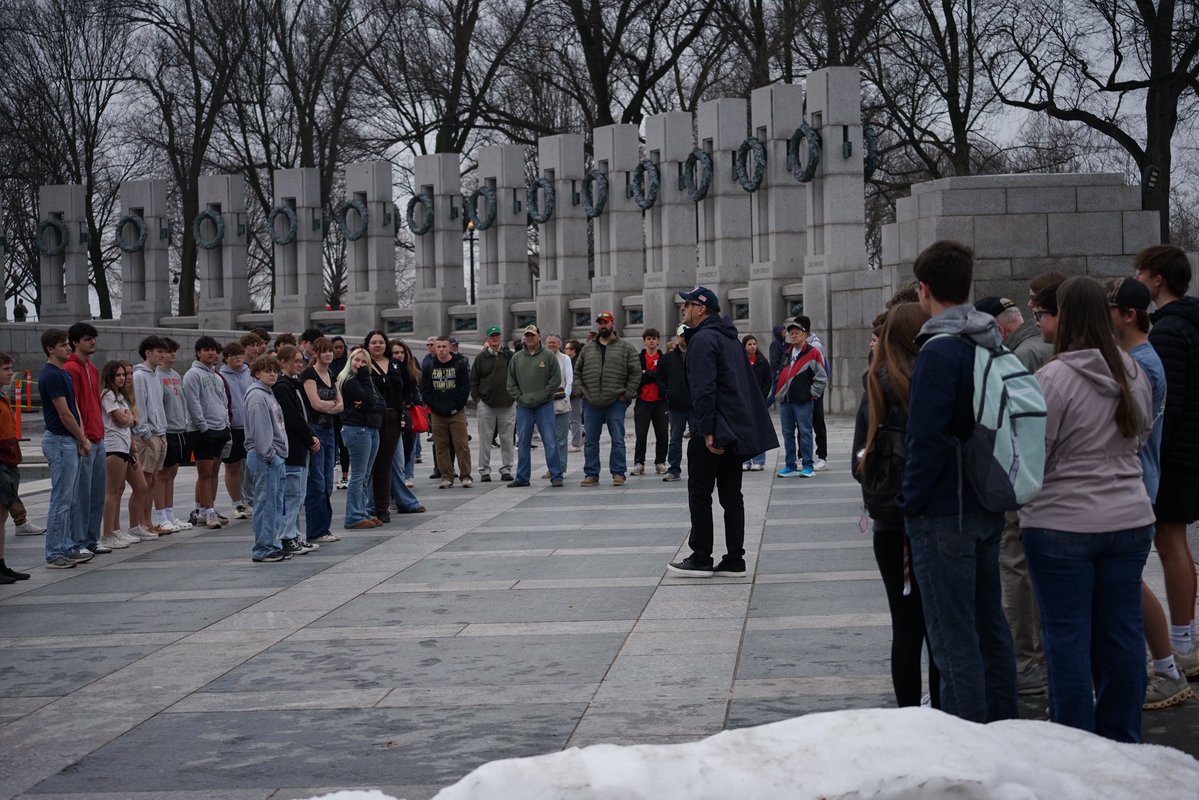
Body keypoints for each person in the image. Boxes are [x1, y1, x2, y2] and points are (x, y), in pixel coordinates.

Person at [1019, 276, 1155, 742]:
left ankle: (1075, 747)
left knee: (1067, 638)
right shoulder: (1134, 373)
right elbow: (1142, 438)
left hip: (1061, 524)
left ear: (1067, 316)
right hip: (1130, 519)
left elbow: (1036, 454)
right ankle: (1123, 738)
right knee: (1122, 636)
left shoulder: (1051, 379)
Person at [898, 239, 1017, 724]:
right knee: (993, 629)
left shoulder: (940, 351)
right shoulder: (989, 340)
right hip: (988, 502)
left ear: (924, 289)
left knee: (953, 641)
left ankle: (972, 753)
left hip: (946, 513)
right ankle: (1006, 731)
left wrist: (909, 502)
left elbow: (925, 440)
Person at [1106, 276, 1192, 710]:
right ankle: (1165, 666)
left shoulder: (1141, 365)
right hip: (1137, 482)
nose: (1105, 318)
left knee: (1125, 581)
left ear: (1129, 315)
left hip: (1135, 484)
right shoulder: (1137, 358)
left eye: (1111, 310)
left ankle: (1168, 670)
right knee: (1124, 581)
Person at [851, 302, 940, 708]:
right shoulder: (936, 378)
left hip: (889, 520)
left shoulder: (876, 380)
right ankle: (943, 708)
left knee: (905, 628)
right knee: (940, 625)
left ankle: (907, 713)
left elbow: (859, 460)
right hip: (934, 517)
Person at [667, 287, 777, 577]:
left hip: (714, 429)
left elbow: (705, 389)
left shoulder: (703, 340)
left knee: (700, 493)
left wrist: (706, 430)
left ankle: (701, 556)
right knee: (732, 495)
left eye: (687, 304)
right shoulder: (730, 338)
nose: (683, 309)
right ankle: (734, 559)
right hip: (734, 431)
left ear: (701, 309)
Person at [975, 295, 1053, 697]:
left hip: (1025, 484)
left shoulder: (1018, 357)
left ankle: (1026, 663)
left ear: (997, 327)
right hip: (1057, 487)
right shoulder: (1047, 345)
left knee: (1017, 568)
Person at [1134, 244, 1199, 678]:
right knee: (1176, 542)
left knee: (1171, 541)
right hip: (1189, 449)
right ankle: (1185, 636)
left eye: (1140, 273)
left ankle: (1182, 641)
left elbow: (1165, 406)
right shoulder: (1189, 322)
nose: (1136, 280)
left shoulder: (1170, 331)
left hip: (1176, 452)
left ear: (1157, 278)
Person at [39, 329, 91, 568]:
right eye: (63, 345)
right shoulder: (50, 374)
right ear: (50, 349)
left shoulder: (63, 373)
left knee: (68, 500)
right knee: (60, 500)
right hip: (60, 441)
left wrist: (79, 437)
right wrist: (82, 438)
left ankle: (67, 546)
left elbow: (75, 409)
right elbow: (64, 413)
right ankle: (54, 552)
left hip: (69, 440)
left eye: (68, 345)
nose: (68, 348)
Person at [575, 311, 640, 486]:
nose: (603, 326)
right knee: (590, 441)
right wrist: (581, 391)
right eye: (600, 323)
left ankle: (618, 473)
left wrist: (626, 395)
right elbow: (577, 371)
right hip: (591, 401)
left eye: (606, 322)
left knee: (618, 439)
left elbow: (635, 374)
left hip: (615, 401)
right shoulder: (588, 348)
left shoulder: (626, 348)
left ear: (613, 323)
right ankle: (591, 474)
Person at [64, 322, 107, 556]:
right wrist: (82, 438)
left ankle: (93, 539)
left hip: (99, 436)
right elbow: (74, 407)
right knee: (81, 495)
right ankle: (78, 541)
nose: (92, 342)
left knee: (97, 493)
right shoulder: (71, 368)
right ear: (75, 342)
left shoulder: (91, 367)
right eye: (88, 338)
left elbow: (95, 403)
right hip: (85, 439)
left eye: (94, 338)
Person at [243, 354, 291, 562]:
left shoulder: (268, 394)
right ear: (256, 373)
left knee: (274, 504)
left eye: (274, 370)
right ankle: (263, 548)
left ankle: (272, 543)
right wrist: (270, 455)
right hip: (265, 458)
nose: (272, 374)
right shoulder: (257, 396)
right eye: (267, 370)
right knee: (265, 504)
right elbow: (260, 431)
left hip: (274, 456)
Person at [99, 361, 151, 549]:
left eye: (124, 374)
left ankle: (122, 529)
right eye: (118, 375)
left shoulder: (120, 396)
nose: (122, 378)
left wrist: (129, 422)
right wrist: (130, 419)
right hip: (113, 445)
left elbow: (129, 420)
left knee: (139, 486)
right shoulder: (107, 394)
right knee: (113, 490)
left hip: (125, 445)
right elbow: (123, 419)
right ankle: (108, 533)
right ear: (110, 376)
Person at [273, 345, 319, 556]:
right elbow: (292, 418)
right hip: (292, 448)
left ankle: (294, 535)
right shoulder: (283, 386)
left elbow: (303, 415)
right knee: (292, 495)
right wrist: (309, 438)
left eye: (302, 360)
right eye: (295, 360)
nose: (300, 364)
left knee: (298, 494)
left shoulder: (293, 384)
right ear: (283, 362)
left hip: (300, 447)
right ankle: (286, 537)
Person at [506, 325, 564, 488]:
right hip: (524, 406)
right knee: (523, 442)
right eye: (527, 335)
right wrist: (520, 397)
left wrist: (544, 395)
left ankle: (556, 475)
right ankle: (522, 477)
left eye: (532, 335)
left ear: (539, 337)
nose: (530, 338)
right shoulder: (516, 358)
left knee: (550, 440)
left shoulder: (548, 356)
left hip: (544, 405)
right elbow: (510, 383)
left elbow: (555, 379)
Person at [183, 336, 231, 530]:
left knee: (214, 471)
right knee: (204, 472)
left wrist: (226, 424)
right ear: (198, 352)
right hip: (202, 430)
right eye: (207, 349)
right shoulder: (192, 375)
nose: (211, 353)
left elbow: (223, 402)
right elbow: (193, 403)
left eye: (214, 350)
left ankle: (207, 509)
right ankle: (207, 512)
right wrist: (203, 427)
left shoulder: (216, 376)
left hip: (220, 428)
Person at [301, 337, 344, 545]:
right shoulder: (309, 374)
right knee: (316, 482)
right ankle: (315, 531)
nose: (328, 354)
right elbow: (315, 404)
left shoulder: (332, 373)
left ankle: (324, 528)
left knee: (328, 481)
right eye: (323, 351)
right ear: (315, 354)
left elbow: (341, 405)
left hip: (330, 430)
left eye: (330, 351)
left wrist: (332, 405)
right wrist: (332, 405)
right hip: (315, 430)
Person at [338, 348, 385, 529]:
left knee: (366, 475)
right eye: (356, 360)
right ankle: (353, 516)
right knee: (358, 475)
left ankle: (362, 511)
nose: (360, 365)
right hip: (357, 430)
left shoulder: (366, 381)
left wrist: (367, 403)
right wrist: (367, 399)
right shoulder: (349, 381)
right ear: (350, 360)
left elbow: (380, 403)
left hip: (371, 428)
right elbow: (369, 399)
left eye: (364, 362)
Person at [774, 318, 827, 479]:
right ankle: (790, 465)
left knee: (805, 432)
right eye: (792, 333)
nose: (794, 335)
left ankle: (808, 465)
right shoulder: (787, 352)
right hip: (786, 401)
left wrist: (811, 393)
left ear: (805, 334)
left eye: (797, 332)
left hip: (803, 401)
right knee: (787, 433)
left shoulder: (813, 352)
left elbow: (821, 377)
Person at [132, 335, 172, 535]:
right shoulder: (139, 375)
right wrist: (145, 433)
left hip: (160, 432)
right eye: (159, 351)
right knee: (145, 481)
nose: (162, 355)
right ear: (148, 353)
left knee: (154, 479)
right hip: (147, 436)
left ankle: (148, 522)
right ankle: (141, 523)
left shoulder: (157, 375)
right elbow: (138, 405)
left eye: (163, 351)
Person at [365, 331, 409, 516]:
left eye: (381, 342)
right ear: (367, 345)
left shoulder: (395, 364)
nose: (377, 345)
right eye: (373, 342)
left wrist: (403, 412)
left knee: (386, 463)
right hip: (371, 418)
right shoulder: (363, 363)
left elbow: (406, 387)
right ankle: (367, 506)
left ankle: (382, 508)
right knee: (370, 464)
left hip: (393, 417)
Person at [422, 335, 472, 489]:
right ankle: (447, 476)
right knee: (441, 446)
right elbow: (425, 390)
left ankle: (465, 476)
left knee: (461, 444)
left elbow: (464, 389)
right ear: (434, 348)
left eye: (444, 346)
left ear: (450, 347)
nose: (442, 350)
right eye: (439, 347)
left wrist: (455, 407)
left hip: (456, 412)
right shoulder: (429, 366)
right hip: (437, 413)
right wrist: (435, 408)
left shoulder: (460, 364)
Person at [470, 325, 515, 483]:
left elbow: (516, 376)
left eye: (497, 336)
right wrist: (477, 399)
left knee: (507, 438)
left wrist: (515, 395)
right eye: (492, 336)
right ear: (487, 339)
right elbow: (473, 379)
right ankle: (484, 470)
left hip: (507, 403)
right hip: (486, 404)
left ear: (501, 337)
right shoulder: (481, 358)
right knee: (485, 439)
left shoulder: (510, 356)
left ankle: (506, 468)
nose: (495, 339)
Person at [0, 352, 30, 583]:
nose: (11, 373)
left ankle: (1, 564)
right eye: (6, 369)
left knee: (2, 518)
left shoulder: (3, 395)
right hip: (2, 460)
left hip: (9, 460)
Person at [158, 337, 193, 531]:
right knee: (162, 475)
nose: (172, 354)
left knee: (172, 473)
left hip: (179, 428)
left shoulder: (176, 375)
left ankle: (170, 514)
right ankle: (161, 515)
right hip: (165, 430)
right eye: (168, 350)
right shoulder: (156, 375)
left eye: (174, 350)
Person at [220, 340, 253, 519]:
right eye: (233, 355)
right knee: (232, 466)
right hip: (232, 427)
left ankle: (250, 499)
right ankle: (237, 503)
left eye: (240, 354)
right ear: (226, 359)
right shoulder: (221, 375)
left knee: (251, 466)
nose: (238, 358)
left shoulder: (251, 373)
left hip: (250, 426)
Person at [632, 328, 668, 476]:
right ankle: (639, 462)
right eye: (648, 338)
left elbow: (663, 376)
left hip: (660, 400)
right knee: (641, 434)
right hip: (643, 400)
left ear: (658, 341)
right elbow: (637, 376)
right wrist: (653, 375)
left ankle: (660, 462)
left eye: (654, 338)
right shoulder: (638, 358)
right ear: (644, 341)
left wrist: (647, 373)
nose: (651, 341)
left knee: (662, 433)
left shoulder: (664, 358)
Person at [658, 325, 691, 482]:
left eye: (687, 335)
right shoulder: (668, 358)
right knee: (675, 439)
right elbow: (660, 378)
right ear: (678, 338)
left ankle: (699, 468)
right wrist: (667, 393)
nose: (685, 338)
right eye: (682, 336)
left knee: (699, 439)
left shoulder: (698, 354)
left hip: (695, 405)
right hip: (676, 405)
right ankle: (674, 469)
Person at [742, 334, 772, 471]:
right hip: (743, 401)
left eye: (754, 344)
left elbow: (768, 381)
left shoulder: (762, 361)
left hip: (758, 401)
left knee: (759, 431)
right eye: (749, 344)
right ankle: (746, 460)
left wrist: (761, 396)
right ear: (744, 346)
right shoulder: (740, 362)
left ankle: (759, 461)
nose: (752, 346)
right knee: (745, 431)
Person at [545, 334, 573, 476]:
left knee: (561, 439)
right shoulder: (542, 358)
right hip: (545, 403)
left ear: (559, 344)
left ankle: (560, 467)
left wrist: (565, 397)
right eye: (549, 342)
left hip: (561, 402)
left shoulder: (565, 359)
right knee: (549, 439)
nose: (551, 345)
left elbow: (569, 380)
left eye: (554, 342)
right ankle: (551, 468)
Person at [330, 335, 351, 489]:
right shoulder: (327, 365)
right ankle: (334, 475)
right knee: (332, 444)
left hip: (345, 410)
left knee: (344, 445)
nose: (338, 350)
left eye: (340, 347)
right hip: (330, 411)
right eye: (335, 348)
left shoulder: (348, 365)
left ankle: (344, 476)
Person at [564, 339, 584, 451]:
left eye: (568, 348)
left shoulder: (576, 362)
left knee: (574, 419)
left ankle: (576, 444)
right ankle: (582, 434)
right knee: (569, 419)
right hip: (568, 393)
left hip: (574, 394)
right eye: (566, 348)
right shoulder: (567, 360)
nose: (566, 350)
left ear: (574, 350)